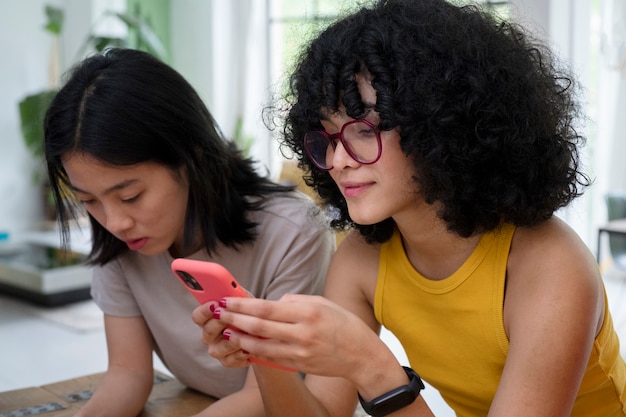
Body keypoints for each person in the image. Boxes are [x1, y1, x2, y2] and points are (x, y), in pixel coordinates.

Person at [192, 0, 626, 416]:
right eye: (328, 135)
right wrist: (266, 354)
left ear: (442, 126)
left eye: (364, 129)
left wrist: (372, 365)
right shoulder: (362, 258)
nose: (338, 160)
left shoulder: (550, 266)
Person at [43, 47, 335, 417]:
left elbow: (263, 394)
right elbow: (128, 374)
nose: (114, 222)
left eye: (130, 196)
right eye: (88, 200)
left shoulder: (293, 233)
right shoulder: (120, 242)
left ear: (191, 156)